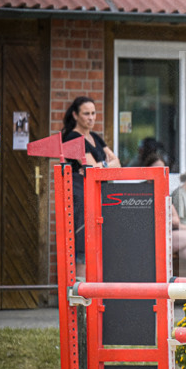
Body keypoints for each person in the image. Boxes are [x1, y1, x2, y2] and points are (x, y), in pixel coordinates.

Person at [61, 96, 121, 276]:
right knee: (82, 247)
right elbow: (92, 168)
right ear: (75, 115)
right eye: (86, 114)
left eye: (93, 113)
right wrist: (103, 166)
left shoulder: (95, 137)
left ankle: (96, 296)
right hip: (80, 199)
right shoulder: (72, 137)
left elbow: (117, 163)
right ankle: (81, 297)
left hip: (98, 196)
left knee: (98, 245)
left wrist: (100, 166)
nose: (91, 118)